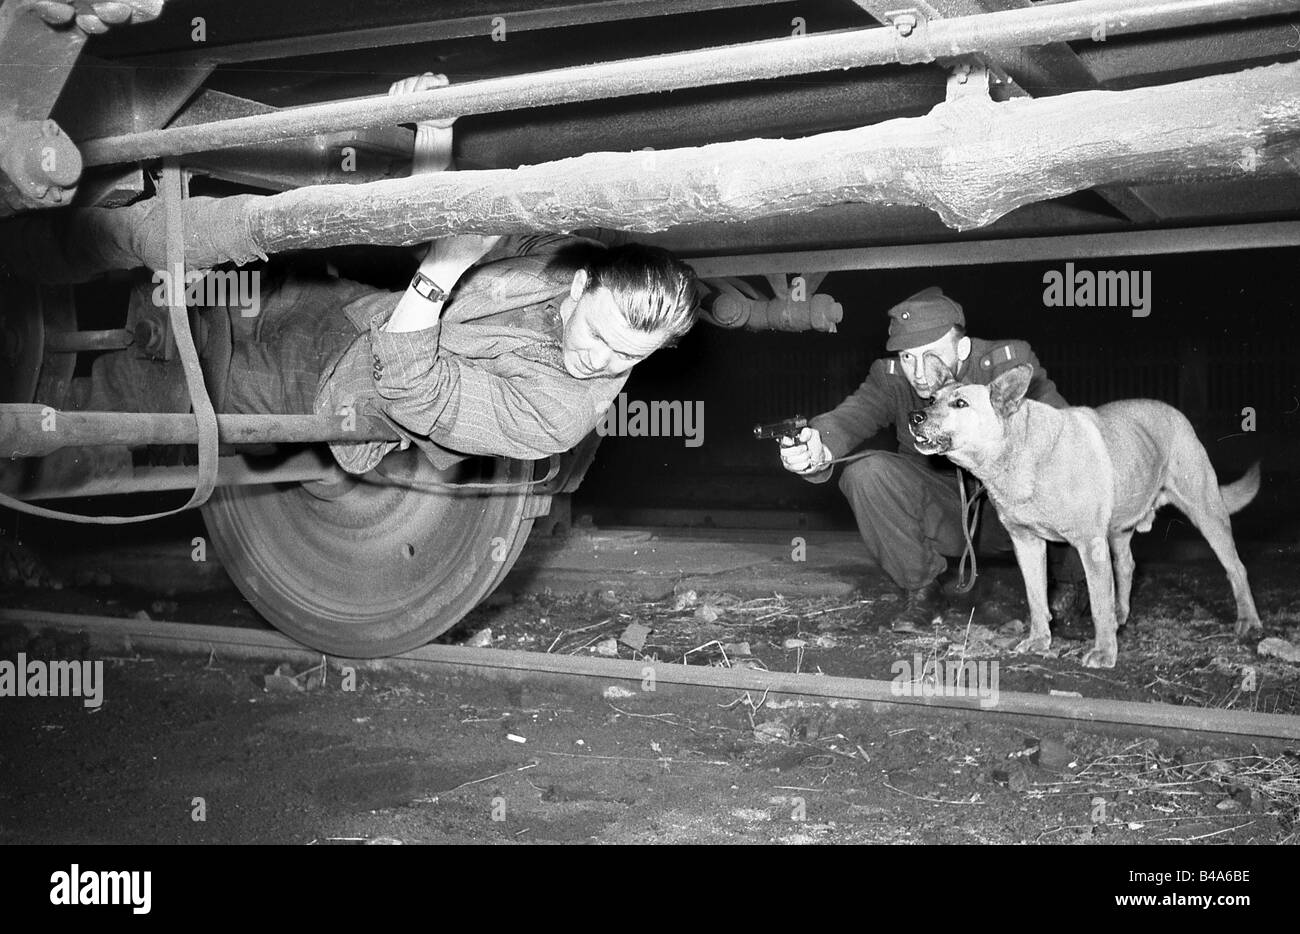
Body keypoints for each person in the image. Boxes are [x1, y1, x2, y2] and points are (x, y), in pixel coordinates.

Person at [779, 286, 1088, 633]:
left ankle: (1071, 586)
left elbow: (1067, 430)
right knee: (866, 472)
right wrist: (818, 446)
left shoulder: (1005, 366)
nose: (920, 373)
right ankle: (923, 592)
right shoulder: (890, 377)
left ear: (963, 347)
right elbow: (851, 417)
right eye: (908, 358)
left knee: (1079, 467)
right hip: (945, 512)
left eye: (931, 356)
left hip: (1014, 512)